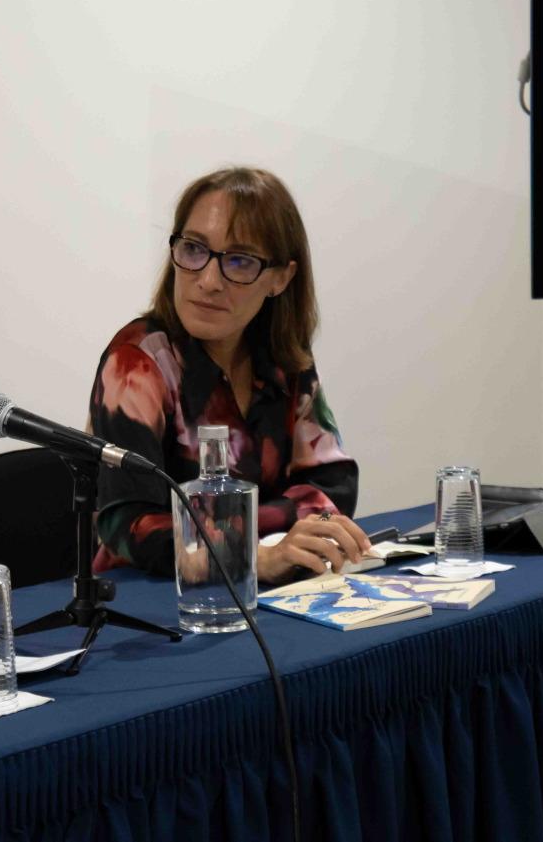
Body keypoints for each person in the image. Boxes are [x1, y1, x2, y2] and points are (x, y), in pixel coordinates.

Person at [89, 166, 370, 583]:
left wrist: (270, 546)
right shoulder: (137, 361)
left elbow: (334, 484)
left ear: (280, 278)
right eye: (193, 249)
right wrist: (252, 553)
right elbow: (128, 523)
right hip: (150, 597)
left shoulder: (283, 355)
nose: (208, 280)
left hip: (264, 587)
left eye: (239, 261)